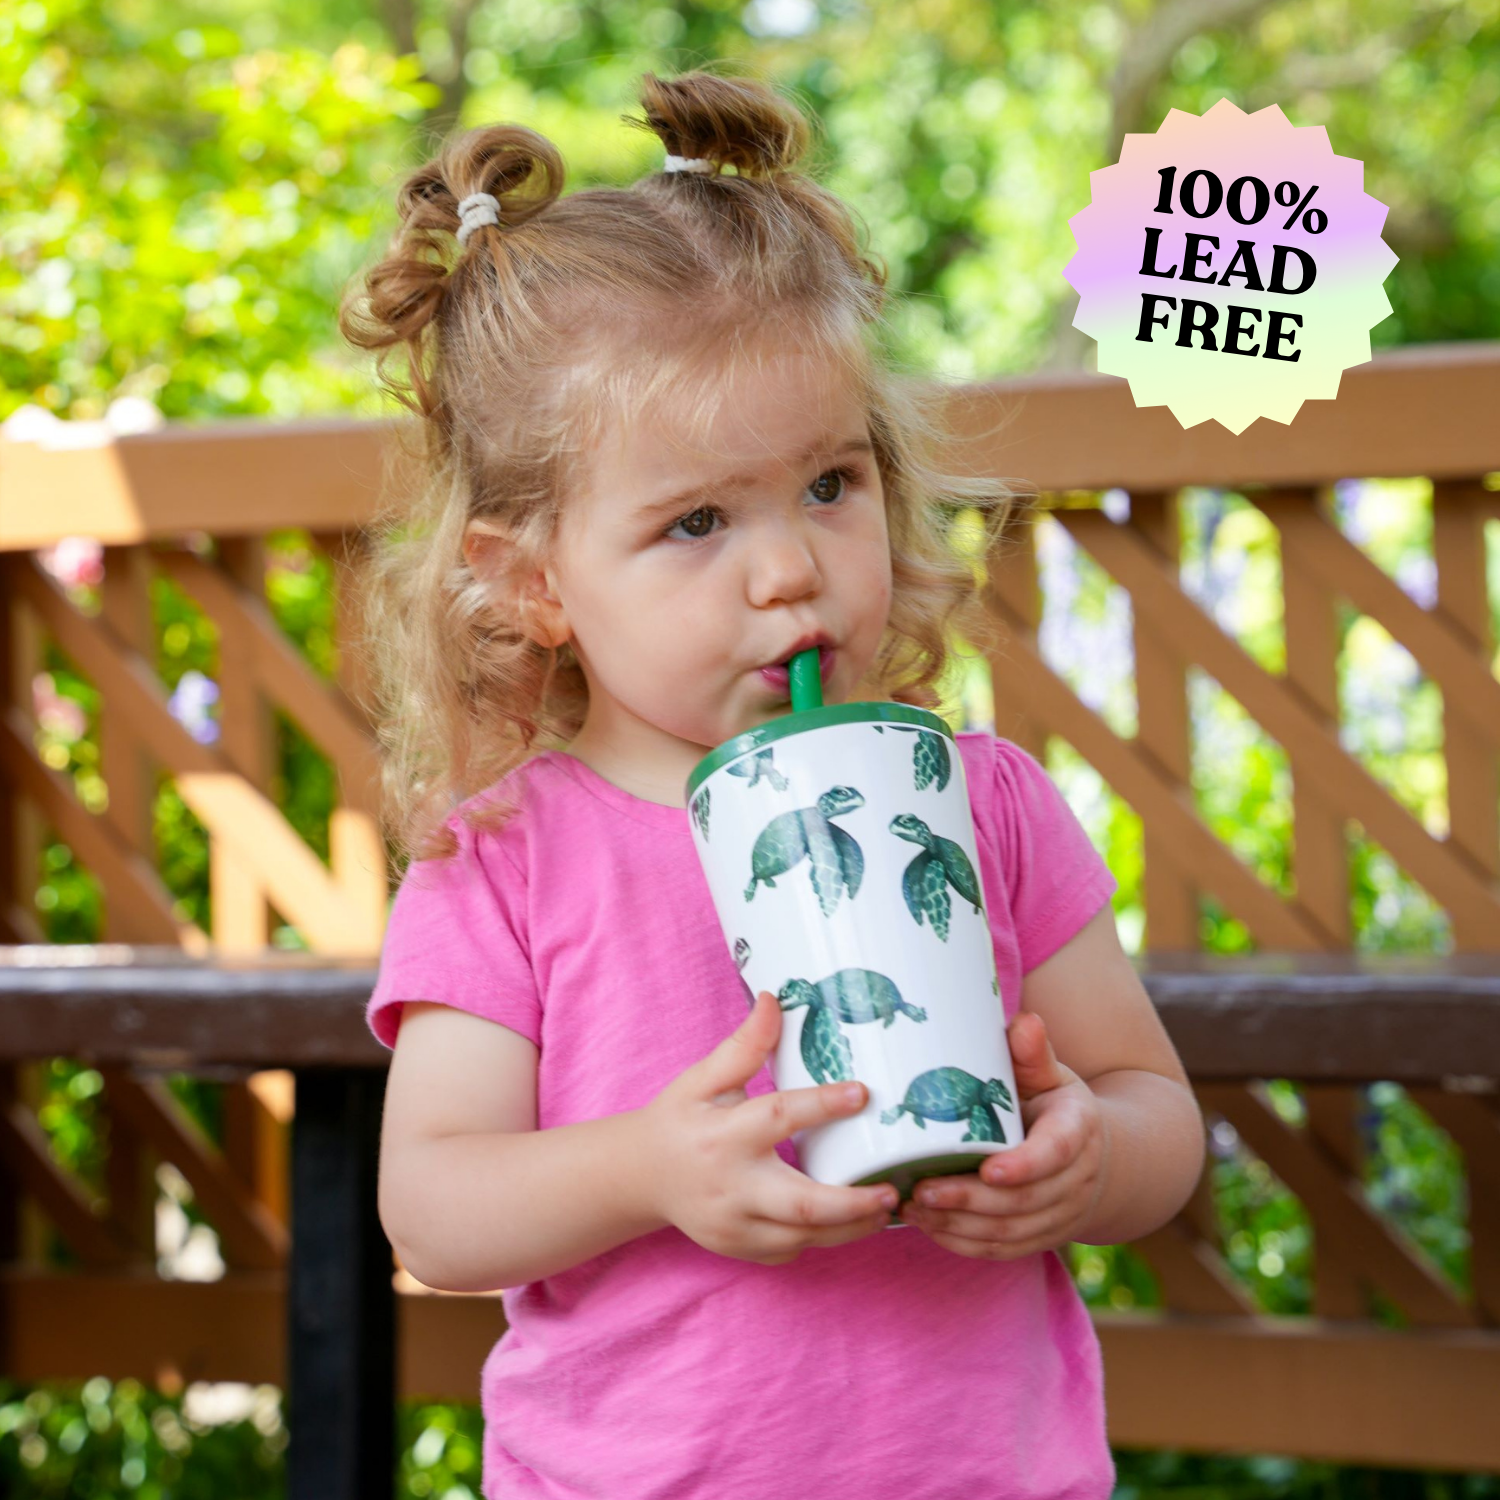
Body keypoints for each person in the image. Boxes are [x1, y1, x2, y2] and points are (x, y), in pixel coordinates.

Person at [339, 65, 1205, 1500]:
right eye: (694, 521)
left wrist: (1087, 1158)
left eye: (829, 484)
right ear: (533, 580)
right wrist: (647, 1170)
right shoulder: (509, 859)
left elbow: (1152, 1112)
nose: (791, 564)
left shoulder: (979, 806)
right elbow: (434, 1207)